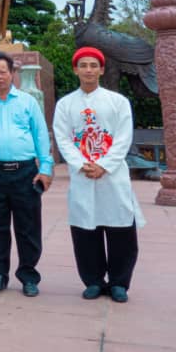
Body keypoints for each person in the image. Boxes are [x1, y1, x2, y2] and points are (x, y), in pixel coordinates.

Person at [53, 46, 145, 303]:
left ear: (102, 69)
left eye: (94, 65)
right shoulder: (65, 104)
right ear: (75, 69)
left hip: (112, 174)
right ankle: (93, 280)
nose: (89, 70)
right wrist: (81, 164)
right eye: (83, 65)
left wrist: (104, 164)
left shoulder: (118, 102)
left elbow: (124, 137)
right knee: (85, 228)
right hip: (82, 174)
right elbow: (63, 138)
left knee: (120, 228)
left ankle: (119, 282)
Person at [0, 50, 53, 296]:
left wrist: (45, 169)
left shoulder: (28, 102)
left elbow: (41, 136)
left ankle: (28, 275)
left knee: (28, 227)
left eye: (3, 71)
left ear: (12, 73)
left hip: (25, 172)